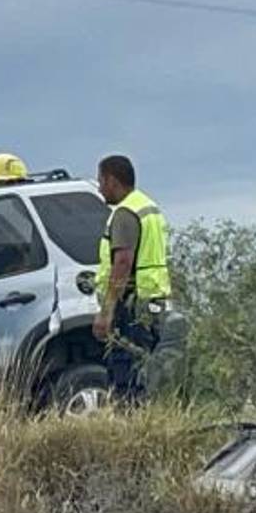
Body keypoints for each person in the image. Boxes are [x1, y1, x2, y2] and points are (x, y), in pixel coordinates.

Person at [93, 154, 172, 403]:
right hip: (154, 300)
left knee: (126, 372)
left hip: (131, 305)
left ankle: (130, 422)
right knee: (147, 370)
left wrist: (107, 311)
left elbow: (123, 262)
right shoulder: (149, 207)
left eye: (101, 181)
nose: (99, 187)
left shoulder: (125, 214)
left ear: (113, 181)